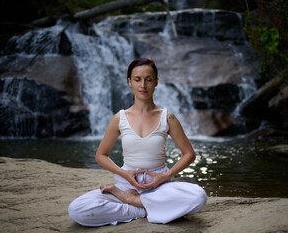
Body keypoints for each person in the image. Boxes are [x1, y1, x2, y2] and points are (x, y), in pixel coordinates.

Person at [68, 57, 207, 226]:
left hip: (159, 187)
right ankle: (148, 208)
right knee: (76, 209)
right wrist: (124, 174)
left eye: (148, 80)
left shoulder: (168, 117)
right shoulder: (119, 118)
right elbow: (101, 155)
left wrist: (166, 176)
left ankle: (133, 202)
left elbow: (189, 154)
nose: (143, 86)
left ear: (156, 82)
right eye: (137, 80)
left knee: (199, 197)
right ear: (129, 82)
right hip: (126, 184)